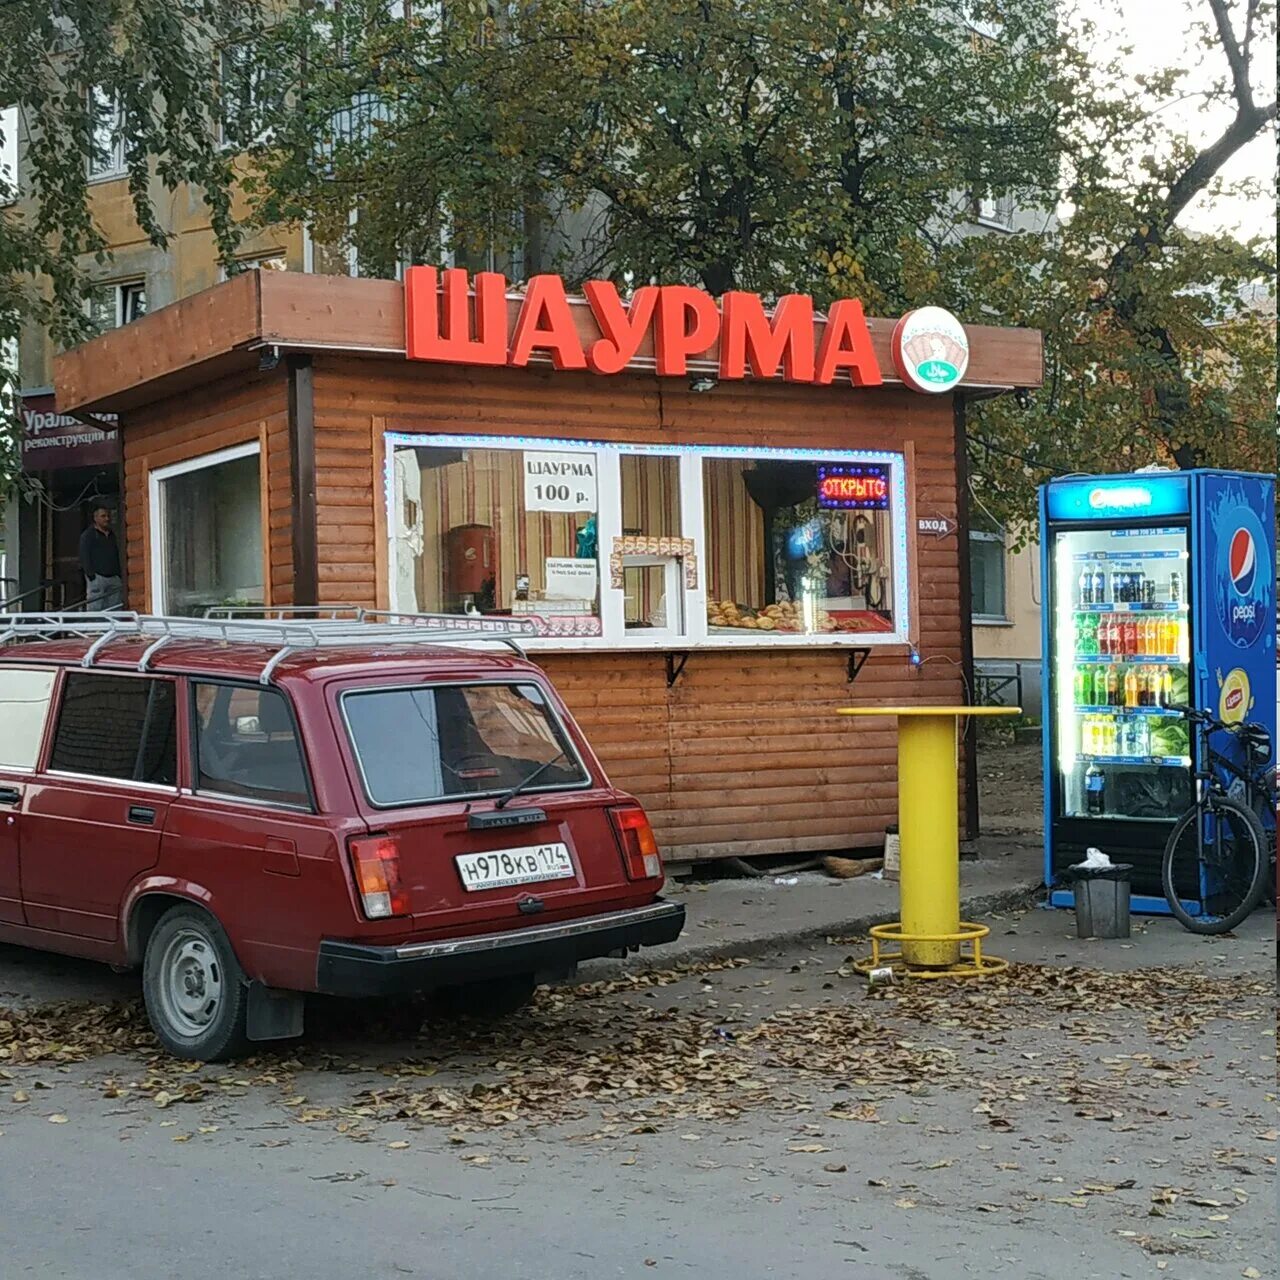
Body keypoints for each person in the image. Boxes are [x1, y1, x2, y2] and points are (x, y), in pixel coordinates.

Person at [79, 506, 123, 611]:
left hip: (113, 578)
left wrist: (119, 574)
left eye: (108, 516)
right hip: (98, 578)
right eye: (103, 516)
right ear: (95, 518)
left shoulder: (111, 535)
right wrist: (91, 575)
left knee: (115, 610)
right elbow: (84, 555)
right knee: (96, 611)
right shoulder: (88, 535)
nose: (107, 519)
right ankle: (95, 628)